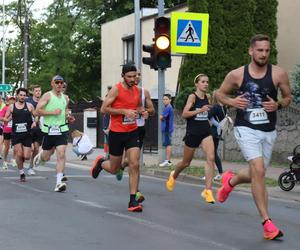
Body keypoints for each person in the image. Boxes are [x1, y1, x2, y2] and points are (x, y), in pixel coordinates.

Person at [216, 34, 292, 240]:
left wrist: (277, 104)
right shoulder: (237, 75)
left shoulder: (278, 73)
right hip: (245, 128)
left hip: (269, 130)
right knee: (258, 171)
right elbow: (219, 94)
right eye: (259, 50)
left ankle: (230, 181)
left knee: (256, 173)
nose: (264, 54)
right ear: (251, 51)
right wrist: (232, 102)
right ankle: (267, 223)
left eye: (267, 50)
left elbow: (288, 96)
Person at [90, 63, 146, 212]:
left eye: (135, 76)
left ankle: (133, 201)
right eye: (129, 77)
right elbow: (104, 109)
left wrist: (142, 112)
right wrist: (124, 111)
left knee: (134, 163)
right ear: (123, 76)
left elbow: (139, 107)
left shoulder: (138, 90)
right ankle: (101, 163)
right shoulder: (116, 89)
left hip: (132, 131)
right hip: (117, 133)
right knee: (114, 169)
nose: (133, 79)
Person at [165, 74, 216, 204]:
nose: (206, 84)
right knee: (186, 163)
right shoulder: (192, 97)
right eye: (203, 82)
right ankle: (173, 175)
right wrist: (200, 111)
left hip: (205, 131)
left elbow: (206, 113)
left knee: (211, 158)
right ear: (197, 84)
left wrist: (212, 122)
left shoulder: (208, 97)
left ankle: (208, 190)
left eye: (207, 82)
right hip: (192, 133)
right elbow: (184, 114)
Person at [34, 75, 75, 192]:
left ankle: (58, 183)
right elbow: (37, 111)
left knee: (61, 154)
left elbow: (65, 111)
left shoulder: (65, 98)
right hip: (49, 130)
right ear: (52, 83)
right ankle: (40, 156)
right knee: (47, 156)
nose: (59, 85)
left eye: (61, 83)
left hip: (62, 130)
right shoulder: (47, 95)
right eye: (57, 82)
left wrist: (69, 117)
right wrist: (52, 112)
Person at [3, 88, 35, 182]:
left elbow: (36, 115)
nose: (22, 97)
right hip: (16, 134)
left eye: (24, 95)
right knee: (19, 154)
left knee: (27, 156)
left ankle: (20, 162)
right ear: (17, 95)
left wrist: (34, 122)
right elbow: (6, 118)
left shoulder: (29, 106)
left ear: (26, 96)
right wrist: (5, 119)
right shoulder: (12, 107)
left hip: (27, 134)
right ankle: (22, 173)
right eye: (21, 95)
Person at [208, 91, 228, 181]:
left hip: (213, 132)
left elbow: (208, 116)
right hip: (219, 133)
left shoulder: (215, 107)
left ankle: (215, 173)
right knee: (213, 152)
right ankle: (219, 173)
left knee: (212, 153)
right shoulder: (224, 107)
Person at [26, 84, 43, 175]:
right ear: (33, 92)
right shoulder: (27, 101)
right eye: (36, 91)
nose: (38, 92)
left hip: (38, 129)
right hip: (28, 128)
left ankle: (30, 167)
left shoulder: (43, 101)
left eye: (39, 91)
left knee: (36, 148)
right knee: (29, 150)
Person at [0, 96, 17, 169]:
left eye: (13, 100)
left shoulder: (17, 108)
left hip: (16, 130)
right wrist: (6, 119)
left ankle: (13, 159)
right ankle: (4, 161)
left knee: (16, 146)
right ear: (8, 101)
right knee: (6, 147)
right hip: (7, 130)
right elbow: (0, 117)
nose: (12, 101)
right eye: (11, 100)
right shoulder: (5, 108)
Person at [159, 94, 174, 167]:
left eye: (166, 99)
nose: (164, 101)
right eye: (164, 99)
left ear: (170, 100)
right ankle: (168, 160)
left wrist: (161, 116)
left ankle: (167, 161)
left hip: (167, 128)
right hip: (167, 128)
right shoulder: (167, 107)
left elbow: (162, 117)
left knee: (168, 144)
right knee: (167, 144)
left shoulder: (168, 107)